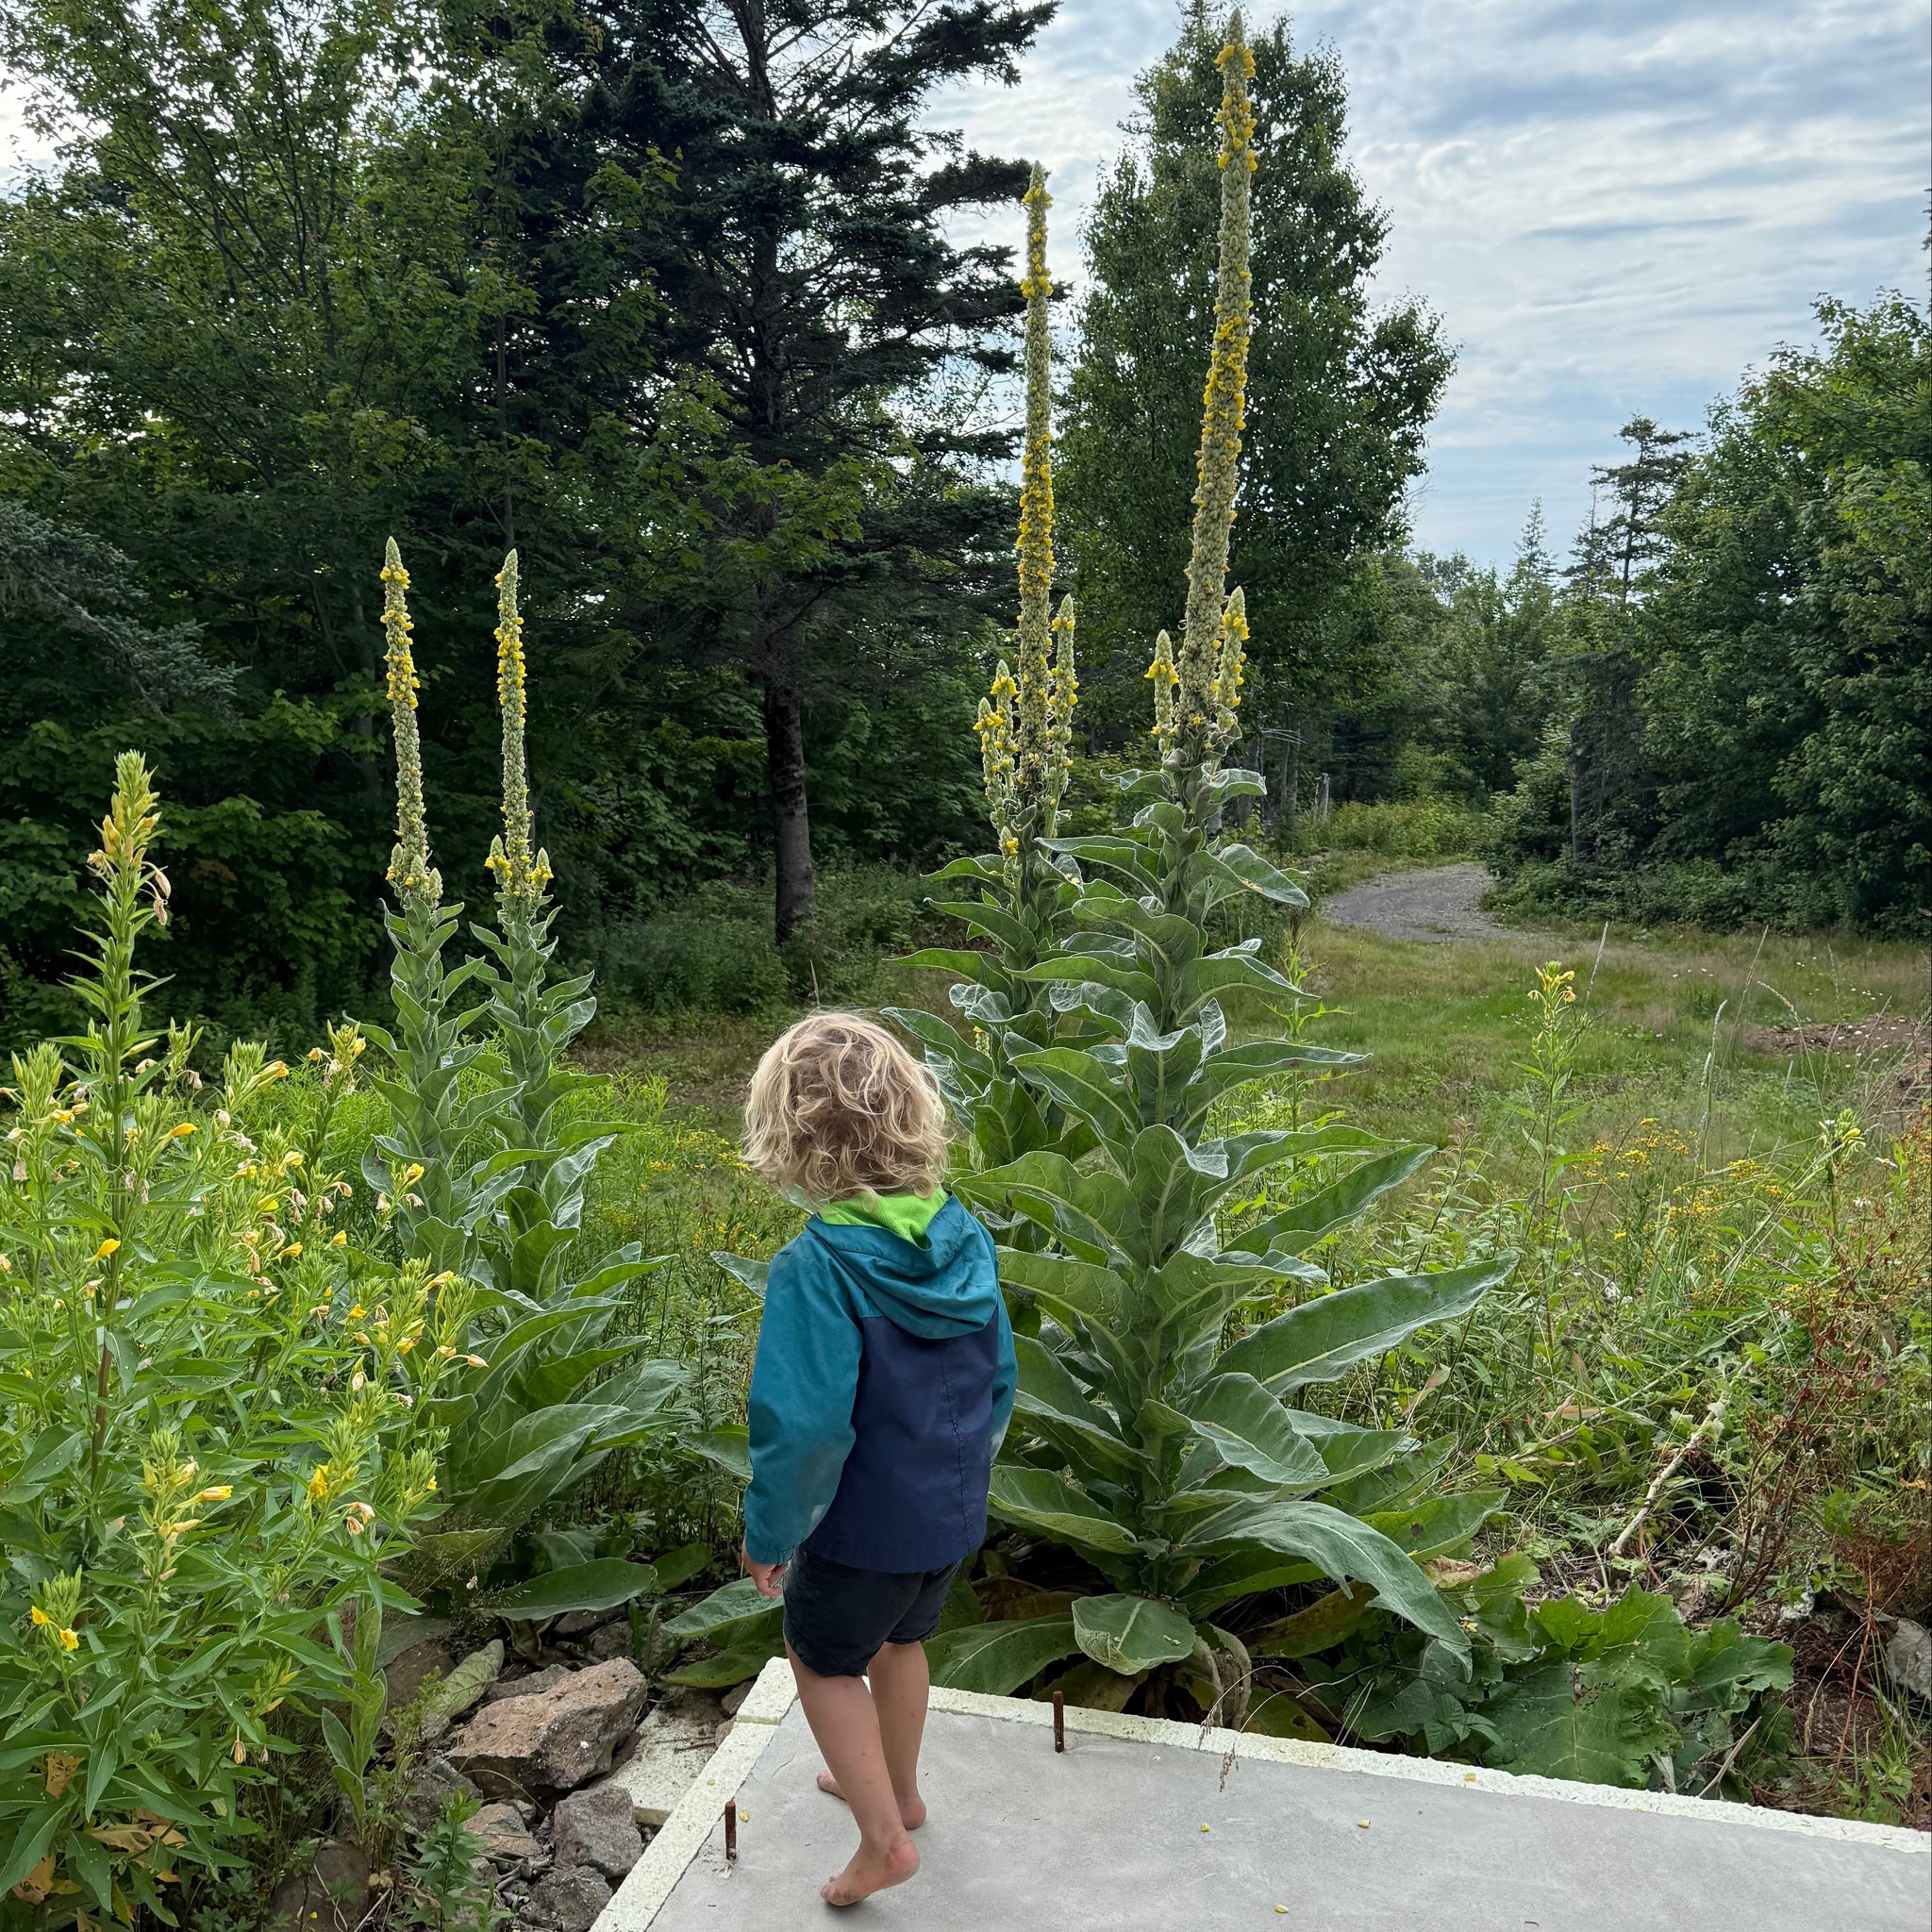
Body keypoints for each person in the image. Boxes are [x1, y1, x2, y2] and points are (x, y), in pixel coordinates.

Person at [738, 1012, 1015, 1907]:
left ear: (792, 1138)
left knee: (821, 1660)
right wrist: (963, 1480)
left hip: (862, 1528)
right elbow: (999, 1378)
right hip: (949, 1513)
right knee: (904, 1641)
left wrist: (769, 1531)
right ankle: (901, 1793)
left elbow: (803, 1428)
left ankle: (883, 1841)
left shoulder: (819, 1265)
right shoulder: (964, 1236)